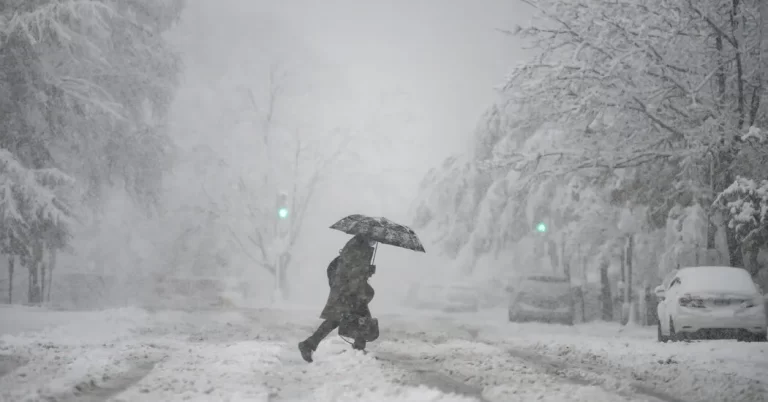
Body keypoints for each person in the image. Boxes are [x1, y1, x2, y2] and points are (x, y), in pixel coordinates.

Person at [298, 235, 377, 363]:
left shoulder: (360, 246)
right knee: (357, 317)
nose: (375, 241)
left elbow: (355, 271)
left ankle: (310, 344)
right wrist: (366, 270)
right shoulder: (356, 247)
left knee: (340, 319)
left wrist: (366, 271)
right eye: (374, 238)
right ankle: (358, 350)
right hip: (347, 291)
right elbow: (350, 271)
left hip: (350, 290)